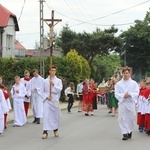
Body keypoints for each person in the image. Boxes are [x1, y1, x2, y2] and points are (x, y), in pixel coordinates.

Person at [115, 68, 139, 140]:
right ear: (122, 74)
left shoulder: (134, 83)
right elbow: (116, 93)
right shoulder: (119, 84)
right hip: (123, 103)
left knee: (131, 118)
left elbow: (136, 92)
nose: (125, 74)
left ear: (129, 74)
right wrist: (123, 96)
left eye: (127, 73)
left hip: (130, 103)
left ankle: (130, 130)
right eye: (124, 73)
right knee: (122, 118)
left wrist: (130, 94)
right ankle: (124, 133)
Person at [42, 66, 63, 139]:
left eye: (54, 71)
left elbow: (59, 89)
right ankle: (45, 131)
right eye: (52, 70)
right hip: (47, 100)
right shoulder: (45, 81)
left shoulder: (58, 81)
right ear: (49, 71)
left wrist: (53, 84)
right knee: (46, 115)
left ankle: (55, 130)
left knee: (54, 116)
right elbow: (42, 91)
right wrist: (47, 96)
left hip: (54, 100)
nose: (53, 72)